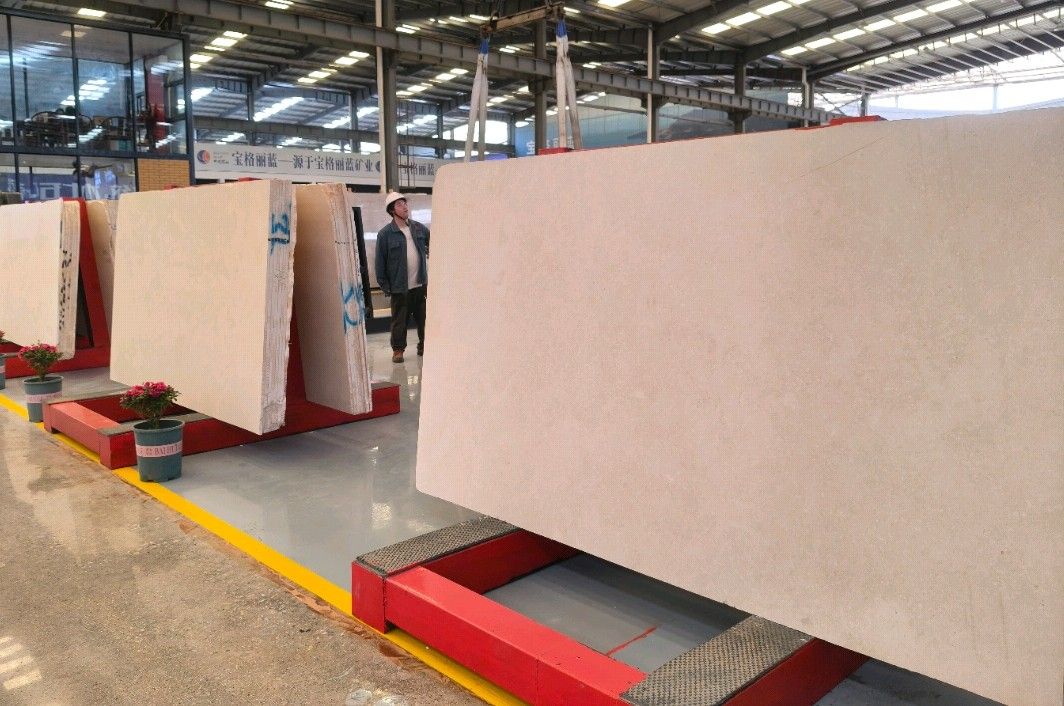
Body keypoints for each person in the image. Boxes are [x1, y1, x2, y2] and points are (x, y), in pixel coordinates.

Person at [375, 191, 429, 363]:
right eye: (399, 204)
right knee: (399, 321)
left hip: (420, 284)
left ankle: (424, 346)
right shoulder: (385, 234)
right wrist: (386, 287)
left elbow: (434, 243)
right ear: (392, 210)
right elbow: (380, 263)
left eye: (405, 203)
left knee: (424, 319)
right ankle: (398, 350)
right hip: (400, 287)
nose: (405, 206)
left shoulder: (419, 228)